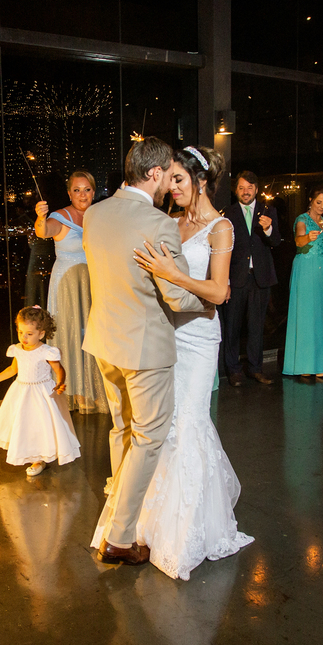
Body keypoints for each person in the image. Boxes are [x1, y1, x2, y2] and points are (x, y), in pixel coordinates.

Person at [92, 145, 253, 580]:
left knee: (188, 424)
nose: (173, 188)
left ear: (200, 181)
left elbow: (220, 294)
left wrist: (173, 275)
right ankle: (144, 521)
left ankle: (186, 529)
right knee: (158, 431)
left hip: (198, 337)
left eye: (180, 180)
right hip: (161, 335)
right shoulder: (167, 222)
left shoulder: (221, 228)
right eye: (170, 179)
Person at [81, 137, 205, 566]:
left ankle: (118, 504)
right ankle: (119, 537)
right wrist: (212, 299)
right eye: (167, 174)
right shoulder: (158, 224)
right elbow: (177, 296)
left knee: (122, 429)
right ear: (153, 174)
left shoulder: (94, 214)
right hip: (144, 347)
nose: (169, 182)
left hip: (104, 341)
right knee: (149, 438)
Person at [34, 172, 108, 414]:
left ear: (93, 192)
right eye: (77, 190)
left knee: (92, 336)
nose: (82, 195)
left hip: (93, 283)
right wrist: (40, 218)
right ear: (69, 193)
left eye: (87, 189)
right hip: (67, 285)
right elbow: (43, 231)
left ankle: (95, 392)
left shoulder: (98, 215)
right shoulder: (60, 217)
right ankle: (73, 393)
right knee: (70, 335)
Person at [0, 306, 81, 477]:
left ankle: (40, 458)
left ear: (41, 334)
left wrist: (60, 382)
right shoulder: (17, 349)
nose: (23, 338)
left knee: (41, 425)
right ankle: (31, 453)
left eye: (29, 334)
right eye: (20, 332)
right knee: (24, 425)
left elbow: (59, 369)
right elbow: (12, 370)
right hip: (21, 391)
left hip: (41, 393)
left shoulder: (46, 351)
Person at [221, 171, 282, 386]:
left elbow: (276, 242)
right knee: (233, 326)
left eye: (249, 188)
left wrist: (268, 228)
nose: (245, 192)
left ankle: (256, 369)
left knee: (257, 326)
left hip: (260, 278)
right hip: (236, 278)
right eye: (241, 188)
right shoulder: (227, 213)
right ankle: (234, 370)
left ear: (256, 189)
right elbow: (223, 249)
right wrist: (225, 281)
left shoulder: (269, 211)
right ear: (235, 190)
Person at [282, 187, 323, 379]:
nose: (321, 206)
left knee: (319, 315)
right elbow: (298, 240)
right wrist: (307, 238)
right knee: (305, 315)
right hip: (305, 268)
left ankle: (319, 362)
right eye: (318, 202)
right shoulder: (302, 220)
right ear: (311, 200)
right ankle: (304, 363)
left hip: (322, 270)